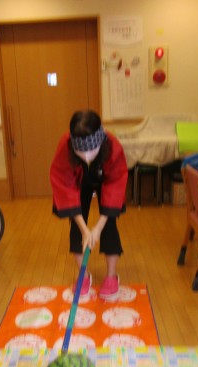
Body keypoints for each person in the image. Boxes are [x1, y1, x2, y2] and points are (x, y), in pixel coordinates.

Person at [50, 109, 128, 300]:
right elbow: (65, 186)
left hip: (105, 179)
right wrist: (85, 230)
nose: (85, 157)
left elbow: (115, 186)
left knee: (109, 225)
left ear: (99, 143)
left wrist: (98, 228)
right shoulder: (65, 145)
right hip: (78, 182)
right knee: (77, 229)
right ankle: (83, 275)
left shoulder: (112, 146)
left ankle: (111, 276)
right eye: (80, 152)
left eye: (91, 151)